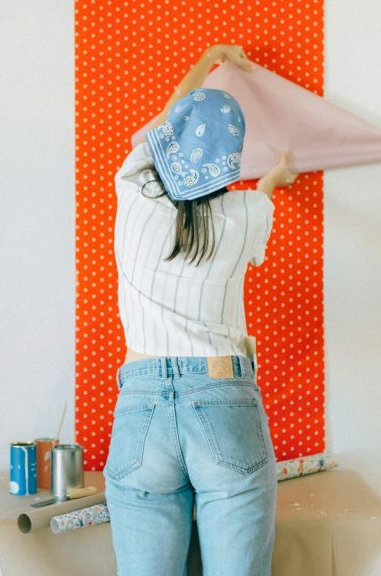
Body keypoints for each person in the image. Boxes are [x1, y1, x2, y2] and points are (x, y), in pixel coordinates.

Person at [105, 43, 298, 576]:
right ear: (230, 161)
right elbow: (255, 197)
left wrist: (212, 57)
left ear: (166, 143)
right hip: (222, 399)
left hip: (141, 404)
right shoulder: (247, 214)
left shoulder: (132, 188)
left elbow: (176, 111)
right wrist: (274, 181)